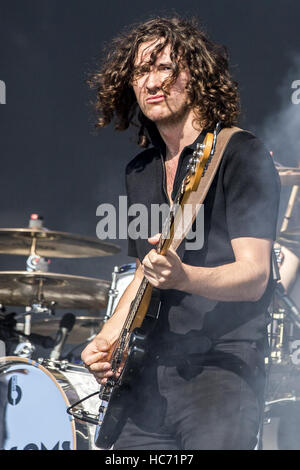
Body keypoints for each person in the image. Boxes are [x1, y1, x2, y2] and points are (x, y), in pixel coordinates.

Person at [82, 16, 281, 450]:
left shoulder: (239, 154)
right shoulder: (141, 170)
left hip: (221, 373)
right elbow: (143, 272)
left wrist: (184, 276)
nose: (151, 82)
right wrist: (107, 337)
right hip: (146, 377)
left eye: (165, 68)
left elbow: (254, 276)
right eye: (140, 72)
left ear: (196, 76)